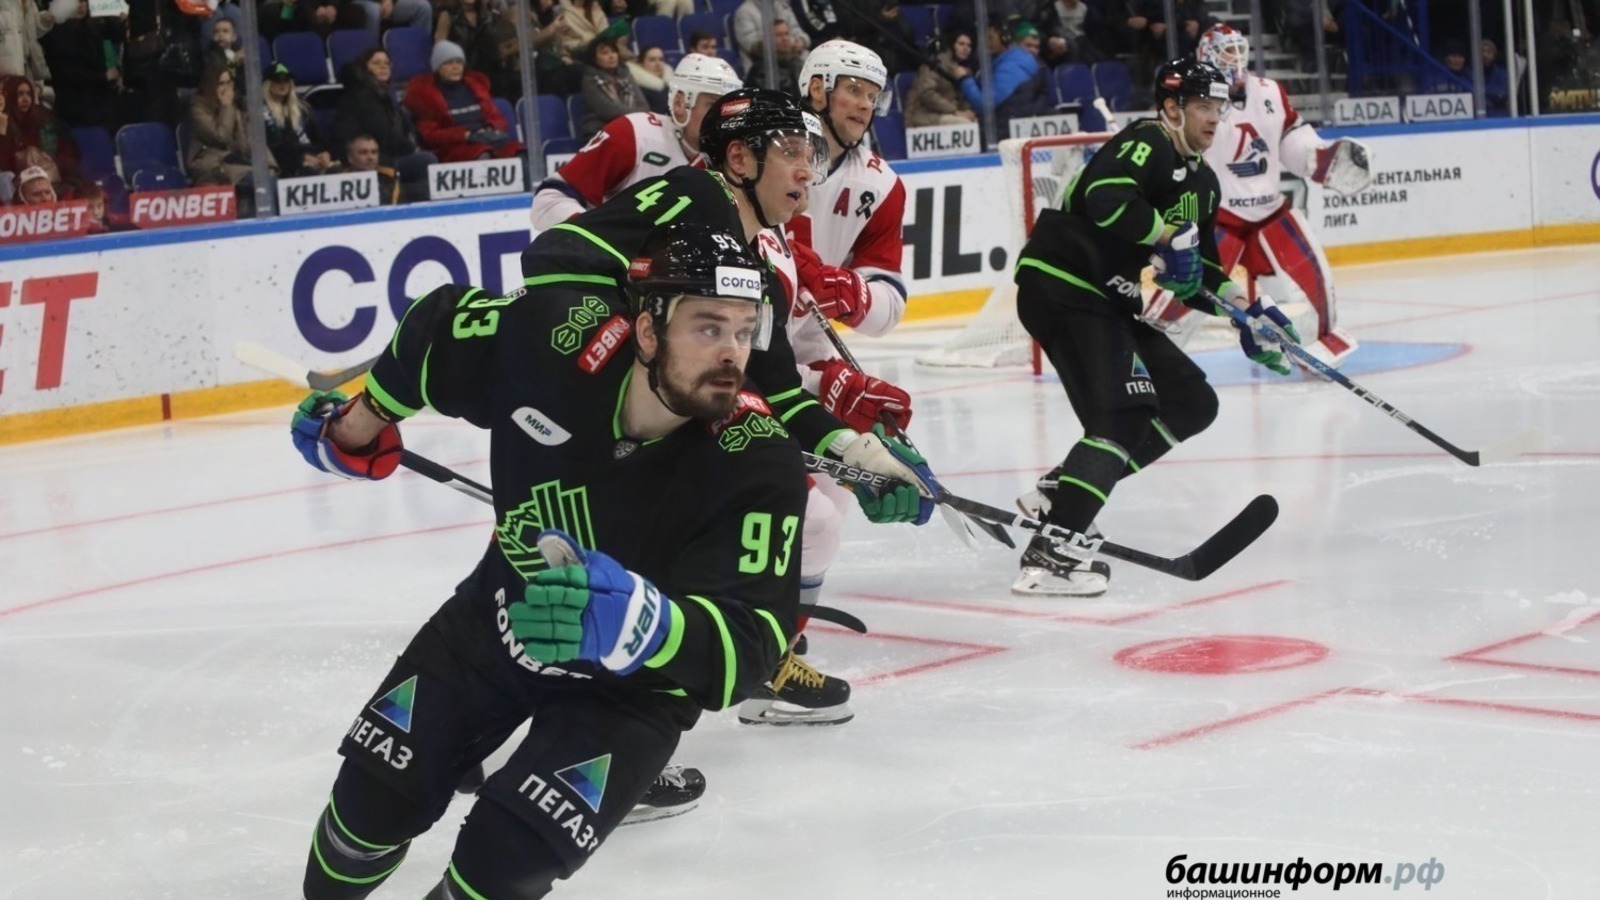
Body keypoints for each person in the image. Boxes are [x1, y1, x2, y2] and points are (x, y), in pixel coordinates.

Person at [291, 222, 818, 900]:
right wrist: (358, 425)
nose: (731, 353)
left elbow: (753, 644)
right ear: (648, 330)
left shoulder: (759, 460)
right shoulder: (552, 335)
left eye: (744, 331)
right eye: (708, 327)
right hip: (493, 625)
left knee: (501, 863)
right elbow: (438, 326)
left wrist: (649, 626)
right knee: (367, 809)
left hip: (629, 692)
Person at [525, 87, 939, 729]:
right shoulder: (693, 195)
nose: (807, 171)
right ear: (740, 160)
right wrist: (628, 362)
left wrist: (859, 452)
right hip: (580, 414)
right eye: (792, 152)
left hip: (648, 427)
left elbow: (777, 391)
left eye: (812, 155)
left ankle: (749, 662)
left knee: (789, 509)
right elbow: (556, 256)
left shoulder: (760, 266)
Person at [1009, 59, 1298, 596]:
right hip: (1065, 284)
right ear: (1171, 108)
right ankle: (1053, 552)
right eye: (1202, 106)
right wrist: (1167, 237)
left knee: (1191, 402)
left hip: (1110, 300)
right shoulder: (1148, 141)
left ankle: (1062, 492)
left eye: (1218, 107)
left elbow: (1201, 272)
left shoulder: (1205, 184)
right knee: (1123, 415)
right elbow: (1105, 197)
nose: (1213, 118)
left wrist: (1247, 311)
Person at [757, 39, 914, 726]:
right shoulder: (763, 147)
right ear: (816, 87)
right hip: (739, 351)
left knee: (831, 505)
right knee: (808, 520)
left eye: (872, 95)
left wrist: (846, 292)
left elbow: (890, 304)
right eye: (853, 89)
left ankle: (775, 652)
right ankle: (759, 657)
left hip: (804, 359)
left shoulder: (880, 183)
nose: (864, 105)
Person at [1146, 26, 1368, 367]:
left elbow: (1291, 137)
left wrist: (1319, 158)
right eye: (1226, 53)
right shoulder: (1192, 97)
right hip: (1216, 216)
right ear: (1206, 55)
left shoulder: (1270, 91)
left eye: (1238, 51)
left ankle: (1320, 339)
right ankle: (1149, 345)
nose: (1234, 60)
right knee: (1186, 290)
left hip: (1269, 211)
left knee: (1315, 277)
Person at [529, 51, 743, 230]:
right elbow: (550, 199)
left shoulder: (736, 162)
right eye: (712, 105)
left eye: (729, 110)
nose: (722, 118)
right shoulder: (634, 134)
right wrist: (595, 240)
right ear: (680, 103)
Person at [335, 48, 437, 201]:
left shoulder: (382, 94)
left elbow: (404, 127)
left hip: (389, 154)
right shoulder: (363, 97)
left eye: (386, 63)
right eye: (376, 63)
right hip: (373, 157)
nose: (383, 67)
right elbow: (385, 136)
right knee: (426, 160)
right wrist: (411, 147)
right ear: (364, 68)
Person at [403, 40, 526, 161]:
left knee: (520, 154)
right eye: (449, 63)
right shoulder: (426, 96)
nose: (455, 67)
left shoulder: (476, 88)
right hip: (453, 149)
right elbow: (430, 135)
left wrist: (489, 129)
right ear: (438, 67)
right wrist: (465, 135)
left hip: (486, 141)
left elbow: (497, 117)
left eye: (459, 62)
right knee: (483, 156)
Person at [956, 19, 1051, 142]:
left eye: (990, 38)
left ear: (1005, 38)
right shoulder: (1002, 61)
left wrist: (964, 79)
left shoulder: (1012, 65)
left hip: (1004, 131)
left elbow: (985, 104)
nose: (986, 42)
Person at [187, 64, 265, 185]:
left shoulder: (238, 105)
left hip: (237, 161)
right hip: (212, 163)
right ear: (210, 85)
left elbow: (248, 142)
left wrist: (270, 166)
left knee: (268, 179)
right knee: (255, 181)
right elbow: (222, 137)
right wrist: (227, 107)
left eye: (229, 83)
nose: (226, 88)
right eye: (221, 84)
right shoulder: (198, 108)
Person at [263, 61, 335, 176]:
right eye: (277, 80)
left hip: (312, 158)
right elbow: (274, 147)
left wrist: (324, 153)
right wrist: (301, 158)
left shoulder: (303, 109)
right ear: (267, 84)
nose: (282, 84)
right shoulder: (262, 113)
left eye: (286, 80)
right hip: (288, 166)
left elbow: (317, 139)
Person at [577, 35, 648, 140]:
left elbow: (644, 106)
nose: (611, 56)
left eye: (614, 52)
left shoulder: (626, 76)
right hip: (599, 131)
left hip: (628, 127)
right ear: (594, 58)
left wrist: (636, 115)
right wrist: (636, 114)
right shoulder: (589, 81)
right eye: (605, 53)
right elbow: (608, 111)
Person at [904, 30, 977, 126]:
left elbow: (963, 98)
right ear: (951, 45)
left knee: (977, 124)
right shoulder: (935, 63)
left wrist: (966, 111)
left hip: (947, 114)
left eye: (969, 46)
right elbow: (926, 93)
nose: (966, 48)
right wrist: (954, 111)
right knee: (965, 124)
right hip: (923, 116)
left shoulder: (964, 70)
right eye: (961, 44)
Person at [742, 18, 806, 96]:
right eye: (779, 35)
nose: (785, 38)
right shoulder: (761, 70)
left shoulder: (797, 62)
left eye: (786, 34)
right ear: (768, 39)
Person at [626, 43, 672, 114]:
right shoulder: (636, 88)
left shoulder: (671, 86)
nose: (658, 64)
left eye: (661, 59)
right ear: (641, 64)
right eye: (652, 60)